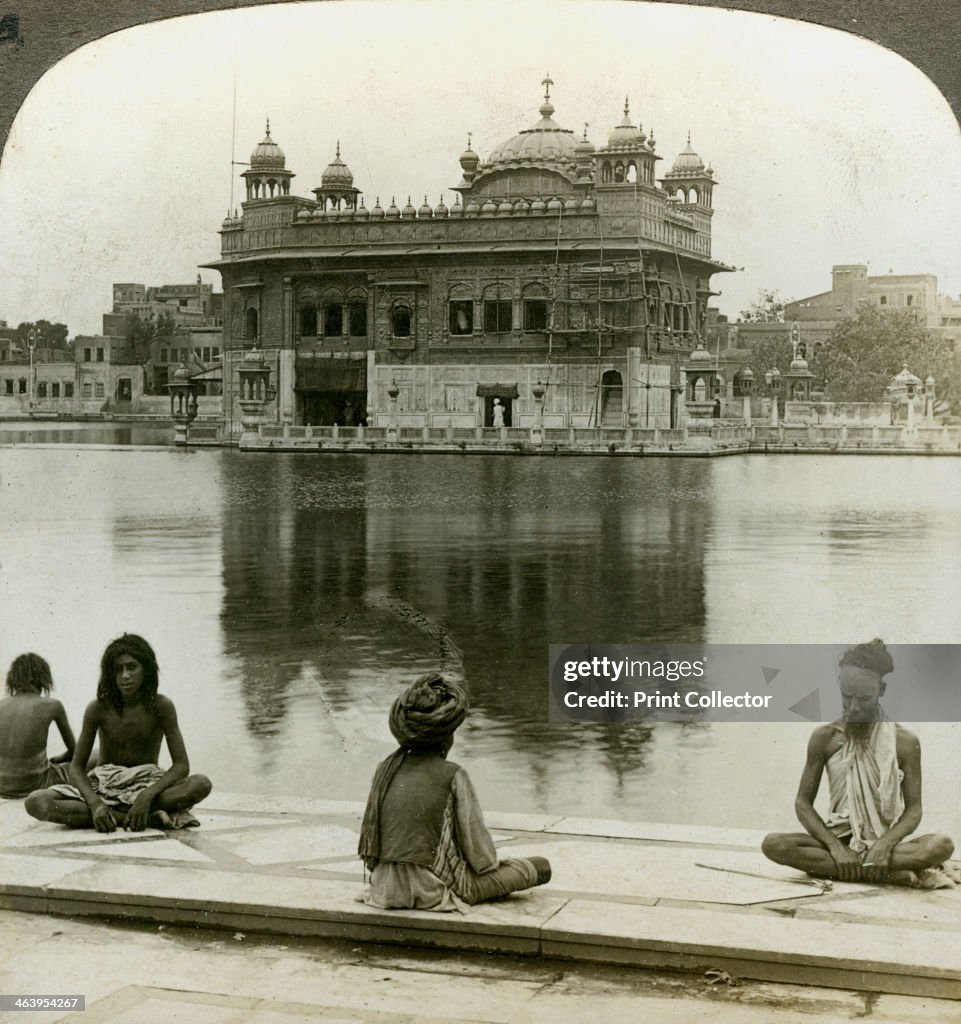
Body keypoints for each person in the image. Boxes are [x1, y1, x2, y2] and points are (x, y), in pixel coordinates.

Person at [762, 640, 955, 887]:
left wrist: (884, 845)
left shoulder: (905, 741)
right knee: (774, 844)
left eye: (864, 698)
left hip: (886, 842)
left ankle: (854, 868)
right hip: (836, 839)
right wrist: (835, 847)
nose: (853, 707)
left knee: (941, 845)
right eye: (846, 696)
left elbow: (914, 810)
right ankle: (886, 873)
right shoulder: (825, 737)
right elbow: (802, 803)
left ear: (881, 690)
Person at [358, 673, 551, 911]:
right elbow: (483, 859)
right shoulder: (453, 774)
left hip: (384, 890)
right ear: (445, 739)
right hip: (433, 890)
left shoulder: (384, 770)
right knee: (540, 867)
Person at [25, 634, 211, 831]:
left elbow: (181, 765)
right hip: (104, 785)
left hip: (147, 782)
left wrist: (146, 796)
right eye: (118, 669)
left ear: (146, 669)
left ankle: (122, 813)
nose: (125, 676)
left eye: (131, 667)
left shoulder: (161, 706)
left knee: (201, 784)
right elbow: (77, 768)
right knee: (37, 802)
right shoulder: (98, 708)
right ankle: (142, 818)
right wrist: (95, 804)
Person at [0, 653, 76, 799]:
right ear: (43, 678)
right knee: (93, 757)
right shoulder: (53, 705)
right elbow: (75, 752)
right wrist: (59, 759)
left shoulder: (1, 705)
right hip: (34, 783)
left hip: (1, 785)